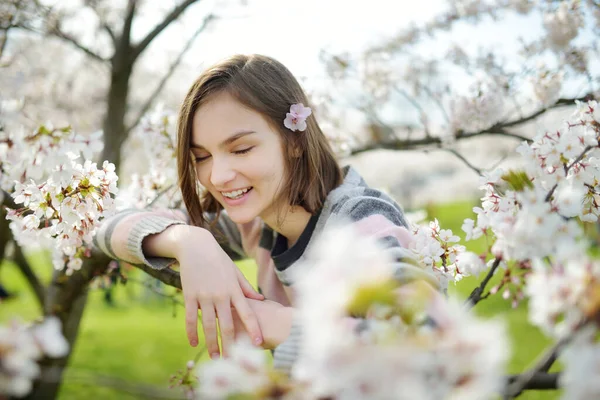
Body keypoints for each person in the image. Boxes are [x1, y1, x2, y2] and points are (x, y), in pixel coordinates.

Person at [93, 54, 439, 374]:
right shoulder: (259, 223)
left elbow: (428, 343)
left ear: (294, 141)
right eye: (201, 157)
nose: (217, 176)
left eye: (240, 149)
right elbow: (104, 224)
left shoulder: (359, 220)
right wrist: (188, 240)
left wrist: (281, 326)